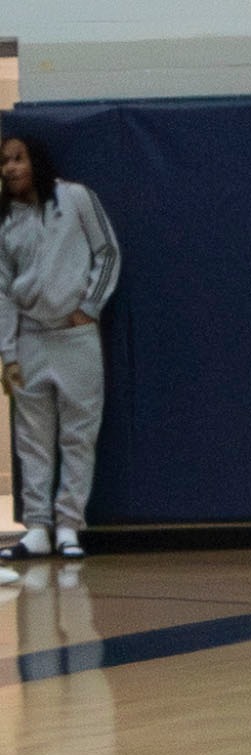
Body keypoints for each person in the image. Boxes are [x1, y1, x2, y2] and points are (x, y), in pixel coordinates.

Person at [0, 134, 120, 562]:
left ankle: (69, 525)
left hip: (75, 338)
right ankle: (37, 527)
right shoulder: (5, 220)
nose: (10, 168)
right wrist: (7, 352)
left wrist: (89, 306)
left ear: (35, 159)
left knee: (78, 434)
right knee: (31, 439)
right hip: (30, 338)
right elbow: (2, 292)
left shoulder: (76, 198)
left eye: (17, 158)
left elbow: (106, 252)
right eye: (3, 162)